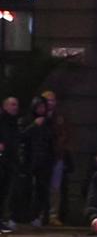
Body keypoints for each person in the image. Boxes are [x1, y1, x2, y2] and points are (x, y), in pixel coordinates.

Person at [18, 97, 54, 226]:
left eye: (43, 107)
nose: (41, 110)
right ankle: (23, 216)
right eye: (38, 107)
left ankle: (36, 216)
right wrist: (34, 126)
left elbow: (50, 141)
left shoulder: (48, 122)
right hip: (29, 159)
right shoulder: (26, 121)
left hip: (44, 160)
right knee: (26, 188)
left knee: (41, 189)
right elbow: (21, 137)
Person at [40, 90, 69, 225]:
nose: (51, 103)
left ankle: (53, 215)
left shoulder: (59, 118)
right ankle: (40, 214)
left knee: (55, 187)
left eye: (53, 100)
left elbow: (64, 135)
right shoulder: (38, 117)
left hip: (56, 156)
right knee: (40, 186)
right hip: (42, 157)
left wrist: (59, 149)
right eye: (48, 100)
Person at [0, 96, 19, 233]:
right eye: (12, 104)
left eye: (16, 104)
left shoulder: (13, 122)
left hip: (9, 160)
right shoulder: (2, 120)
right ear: (5, 106)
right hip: (2, 159)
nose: (15, 107)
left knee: (4, 191)